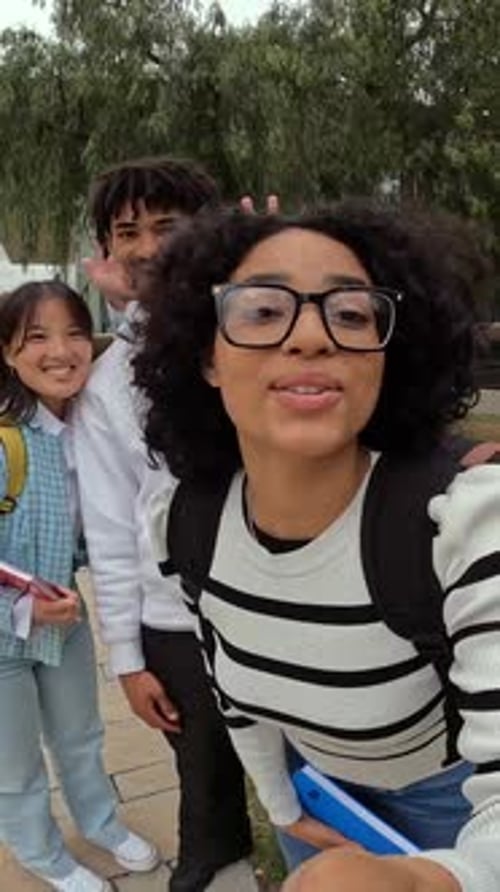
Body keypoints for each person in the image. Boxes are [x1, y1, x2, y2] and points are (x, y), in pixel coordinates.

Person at [134, 203, 500, 891]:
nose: (310, 336)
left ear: (388, 357)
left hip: (453, 810)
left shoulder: (467, 520)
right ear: (205, 356)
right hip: (318, 797)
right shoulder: (185, 521)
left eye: (352, 314)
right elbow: (231, 686)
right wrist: (283, 805)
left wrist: (422, 882)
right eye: (263, 311)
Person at [72, 157, 254, 892]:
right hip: (175, 623)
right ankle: (218, 867)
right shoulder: (107, 386)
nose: (147, 247)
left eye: (167, 227)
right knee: (203, 774)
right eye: (127, 232)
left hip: (289, 601)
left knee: (311, 768)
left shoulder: (260, 332)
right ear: (110, 251)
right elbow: (111, 532)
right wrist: (128, 656)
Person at [0, 281, 159, 892]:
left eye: (73, 332)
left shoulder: (89, 427)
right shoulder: (8, 438)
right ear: (9, 353)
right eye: (36, 337)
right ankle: (42, 853)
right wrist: (23, 611)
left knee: (81, 734)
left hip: (64, 618)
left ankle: (99, 822)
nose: (60, 351)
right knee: (14, 763)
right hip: (6, 634)